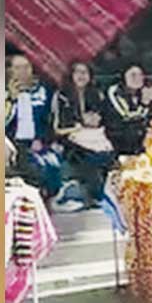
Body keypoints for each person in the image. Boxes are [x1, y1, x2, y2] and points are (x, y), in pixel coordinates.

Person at [52, 61, 116, 210]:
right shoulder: (62, 96)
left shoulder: (96, 94)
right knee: (86, 158)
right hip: (69, 139)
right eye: (78, 72)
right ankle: (95, 195)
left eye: (85, 72)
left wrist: (95, 121)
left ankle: (100, 195)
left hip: (94, 138)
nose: (81, 76)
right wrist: (77, 126)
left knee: (106, 155)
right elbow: (57, 128)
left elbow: (103, 118)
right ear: (71, 76)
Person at [5, 53, 62, 198]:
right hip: (12, 144)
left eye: (26, 67)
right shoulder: (3, 93)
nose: (23, 71)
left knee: (52, 163)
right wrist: (11, 98)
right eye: (18, 68)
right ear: (9, 71)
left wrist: (43, 139)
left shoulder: (45, 91)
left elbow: (51, 119)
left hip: (40, 141)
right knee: (31, 167)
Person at [104, 64, 152, 156]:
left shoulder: (146, 89)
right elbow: (127, 115)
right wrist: (144, 104)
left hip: (141, 133)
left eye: (140, 75)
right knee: (133, 132)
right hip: (119, 133)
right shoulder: (114, 91)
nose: (137, 78)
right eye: (133, 75)